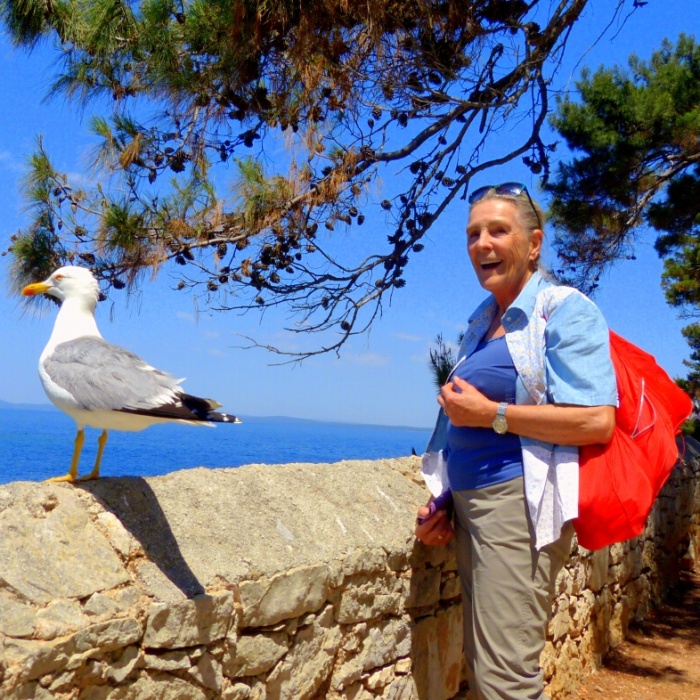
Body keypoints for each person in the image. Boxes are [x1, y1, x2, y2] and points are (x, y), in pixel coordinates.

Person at [415, 182, 618, 700]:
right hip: (475, 506)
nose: (482, 243)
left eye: (498, 231)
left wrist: (493, 415)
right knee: (485, 669)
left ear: (533, 244)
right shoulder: (484, 321)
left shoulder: (564, 310)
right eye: (473, 234)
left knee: (506, 679)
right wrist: (446, 499)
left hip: (517, 509)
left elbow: (596, 420)